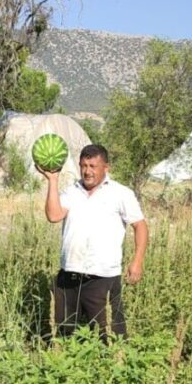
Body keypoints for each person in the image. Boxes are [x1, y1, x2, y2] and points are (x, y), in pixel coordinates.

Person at [40, 143, 148, 340]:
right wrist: (53, 180)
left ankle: (115, 366)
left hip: (103, 278)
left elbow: (140, 226)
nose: (87, 171)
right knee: (64, 333)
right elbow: (54, 215)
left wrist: (137, 261)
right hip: (69, 275)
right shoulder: (71, 192)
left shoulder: (120, 194)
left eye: (93, 166)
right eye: (83, 166)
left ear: (106, 167)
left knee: (109, 335)